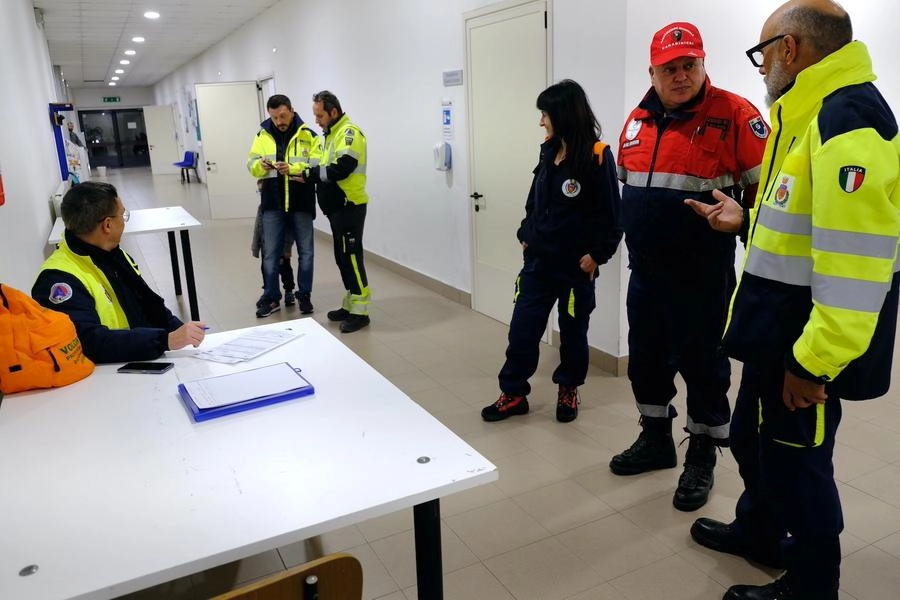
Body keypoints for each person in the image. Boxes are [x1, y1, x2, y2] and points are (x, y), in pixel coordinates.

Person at [685, 2, 900, 598]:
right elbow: (806, 226)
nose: (758, 69)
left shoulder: (847, 123)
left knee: (798, 464)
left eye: (762, 54)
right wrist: (746, 218)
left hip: (805, 350)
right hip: (775, 335)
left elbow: (855, 270)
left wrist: (813, 364)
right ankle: (758, 532)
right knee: (756, 443)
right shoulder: (804, 117)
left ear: (790, 49)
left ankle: (812, 583)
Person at [611, 21, 769, 512]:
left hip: (703, 274)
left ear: (703, 65)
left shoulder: (736, 115)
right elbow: (627, 186)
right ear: (653, 72)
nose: (680, 75)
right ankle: (655, 437)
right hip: (647, 272)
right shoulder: (637, 120)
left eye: (689, 65)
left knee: (704, 366)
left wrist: (743, 222)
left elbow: (771, 200)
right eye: (669, 68)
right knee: (647, 360)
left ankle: (702, 452)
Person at [480, 79, 622, 424]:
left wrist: (597, 255)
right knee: (522, 331)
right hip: (538, 264)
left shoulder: (597, 156)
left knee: (573, 336)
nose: (541, 120)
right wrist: (526, 233)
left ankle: (568, 389)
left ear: (563, 113)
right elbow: (535, 200)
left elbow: (613, 216)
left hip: (575, 268)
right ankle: (513, 393)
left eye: (545, 113)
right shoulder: (548, 149)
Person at [31, 181, 206, 364]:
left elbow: (148, 303)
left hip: (143, 353)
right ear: (107, 225)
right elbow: (88, 342)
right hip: (112, 371)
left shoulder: (113, 254)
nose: (124, 220)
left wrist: (180, 331)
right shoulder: (59, 278)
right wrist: (165, 340)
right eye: (122, 215)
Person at [301, 91, 371, 333]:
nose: (317, 120)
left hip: (349, 206)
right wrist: (302, 170)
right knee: (342, 258)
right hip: (336, 209)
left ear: (333, 112)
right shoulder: (330, 135)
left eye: (319, 115)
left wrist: (311, 175)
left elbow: (342, 168)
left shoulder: (349, 133)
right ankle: (351, 305)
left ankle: (361, 313)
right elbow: (320, 166)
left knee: (351, 258)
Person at [247, 94, 317, 318]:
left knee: (306, 252)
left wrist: (294, 169)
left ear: (292, 111)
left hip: (301, 203)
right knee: (271, 254)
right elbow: (251, 165)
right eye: (274, 117)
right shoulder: (262, 134)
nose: (279, 121)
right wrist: (261, 165)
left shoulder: (308, 135)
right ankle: (272, 297)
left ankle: (303, 295)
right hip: (272, 204)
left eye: (283, 115)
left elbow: (317, 164)